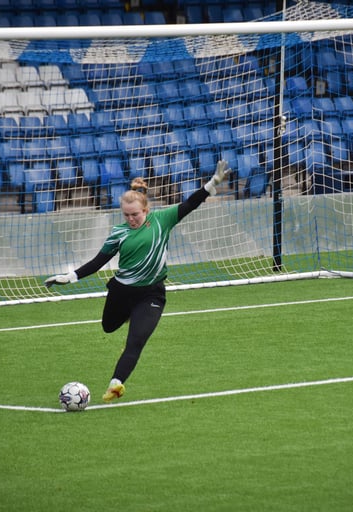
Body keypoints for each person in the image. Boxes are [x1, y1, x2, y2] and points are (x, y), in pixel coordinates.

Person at [44, 161, 232, 403]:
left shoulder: (162, 220)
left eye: (135, 214)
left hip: (152, 294)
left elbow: (190, 204)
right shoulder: (119, 233)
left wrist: (212, 183)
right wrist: (70, 277)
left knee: (136, 341)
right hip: (122, 292)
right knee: (108, 327)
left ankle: (116, 383)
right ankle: (130, 315)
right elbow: (98, 261)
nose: (131, 219)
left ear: (146, 210)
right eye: (127, 215)